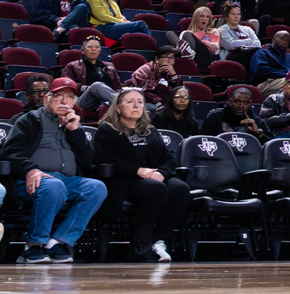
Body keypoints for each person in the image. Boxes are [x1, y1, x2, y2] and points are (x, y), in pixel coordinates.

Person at [3, 79, 107, 263]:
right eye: (58, 96)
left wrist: (76, 131)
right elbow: (11, 152)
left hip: (67, 180)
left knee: (97, 187)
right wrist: (30, 170)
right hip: (32, 179)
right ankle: (33, 245)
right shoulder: (29, 120)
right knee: (54, 185)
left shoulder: (74, 124)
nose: (64, 101)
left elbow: (88, 160)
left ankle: (58, 241)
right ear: (46, 99)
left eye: (70, 97)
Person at [96, 86, 192, 262]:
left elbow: (168, 157)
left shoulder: (150, 131)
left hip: (154, 176)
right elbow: (105, 159)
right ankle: (142, 244)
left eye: (140, 102)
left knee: (181, 188)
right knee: (155, 189)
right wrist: (138, 171)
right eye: (130, 102)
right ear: (118, 108)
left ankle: (157, 239)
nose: (136, 105)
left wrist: (162, 173)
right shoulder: (107, 130)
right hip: (124, 180)